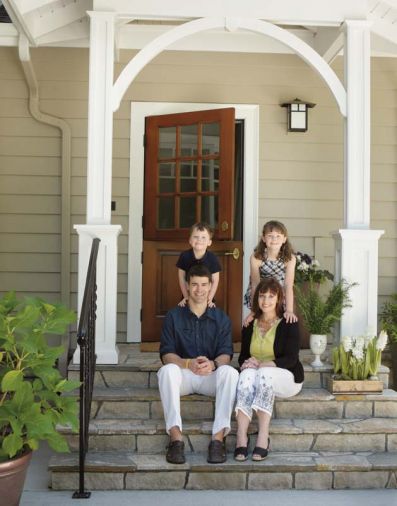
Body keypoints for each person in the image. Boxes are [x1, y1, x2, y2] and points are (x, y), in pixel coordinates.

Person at [158, 264, 239, 465]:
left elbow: (226, 353)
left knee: (230, 373)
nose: (199, 290)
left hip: (209, 376)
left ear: (211, 286)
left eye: (204, 285)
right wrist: (187, 363)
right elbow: (166, 353)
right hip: (184, 375)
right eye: (194, 284)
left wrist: (212, 364)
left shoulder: (221, 318)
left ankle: (218, 440)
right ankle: (176, 439)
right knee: (166, 371)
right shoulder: (173, 316)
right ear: (187, 286)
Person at [235, 277, 304, 462]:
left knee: (261, 373)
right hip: (259, 374)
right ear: (256, 298)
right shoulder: (250, 324)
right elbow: (242, 356)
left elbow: (291, 359)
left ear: (279, 298)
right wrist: (247, 364)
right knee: (246, 374)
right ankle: (241, 436)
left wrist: (261, 364)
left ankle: (263, 437)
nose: (266, 301)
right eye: (262, 296)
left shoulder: (289, 322)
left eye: (271, 296)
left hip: (286, 378)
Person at [244, 220, 297, 324]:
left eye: (278, 236)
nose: (274, 239)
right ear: (263, 238)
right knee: (261, 315)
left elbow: (288, 285)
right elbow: (255, 284)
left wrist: (289, 310)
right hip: (261, 290)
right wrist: (254, 311)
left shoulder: (290, 259)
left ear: (284, 239)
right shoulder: (256, 258)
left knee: (280, 317)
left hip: (280, 289)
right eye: (270, 236)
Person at [176, 222, 221, 308]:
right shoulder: (184, 256)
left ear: (209, 242)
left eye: (203, 237)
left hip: (206, 296)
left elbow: (215, 280)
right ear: (190, 240)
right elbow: (181, 278)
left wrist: (209, 299)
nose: (199, 240)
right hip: (189, 295)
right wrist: (186, 297)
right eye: (196, 237)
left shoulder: (213, 258)